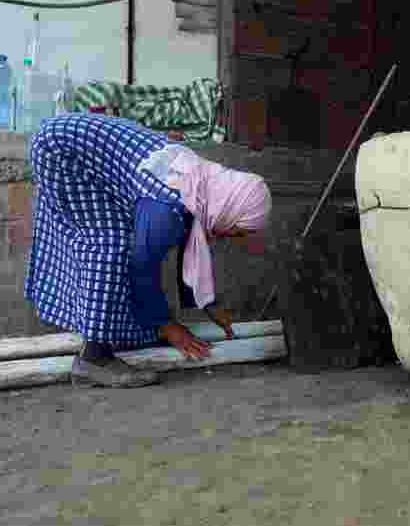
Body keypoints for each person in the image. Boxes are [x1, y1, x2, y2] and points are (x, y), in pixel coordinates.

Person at [24, 113, 273, 388]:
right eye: (236, 230)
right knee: (110, 244)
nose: (229, 236)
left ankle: (125, 331)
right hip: (61, 151)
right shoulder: (167, 211)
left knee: (123, 240)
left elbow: (190, 240)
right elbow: (140, 267)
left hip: (78, 143)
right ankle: (93, 359)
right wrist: (167, 326)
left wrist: (208, 305)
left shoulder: (202, 184)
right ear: (228, 208)